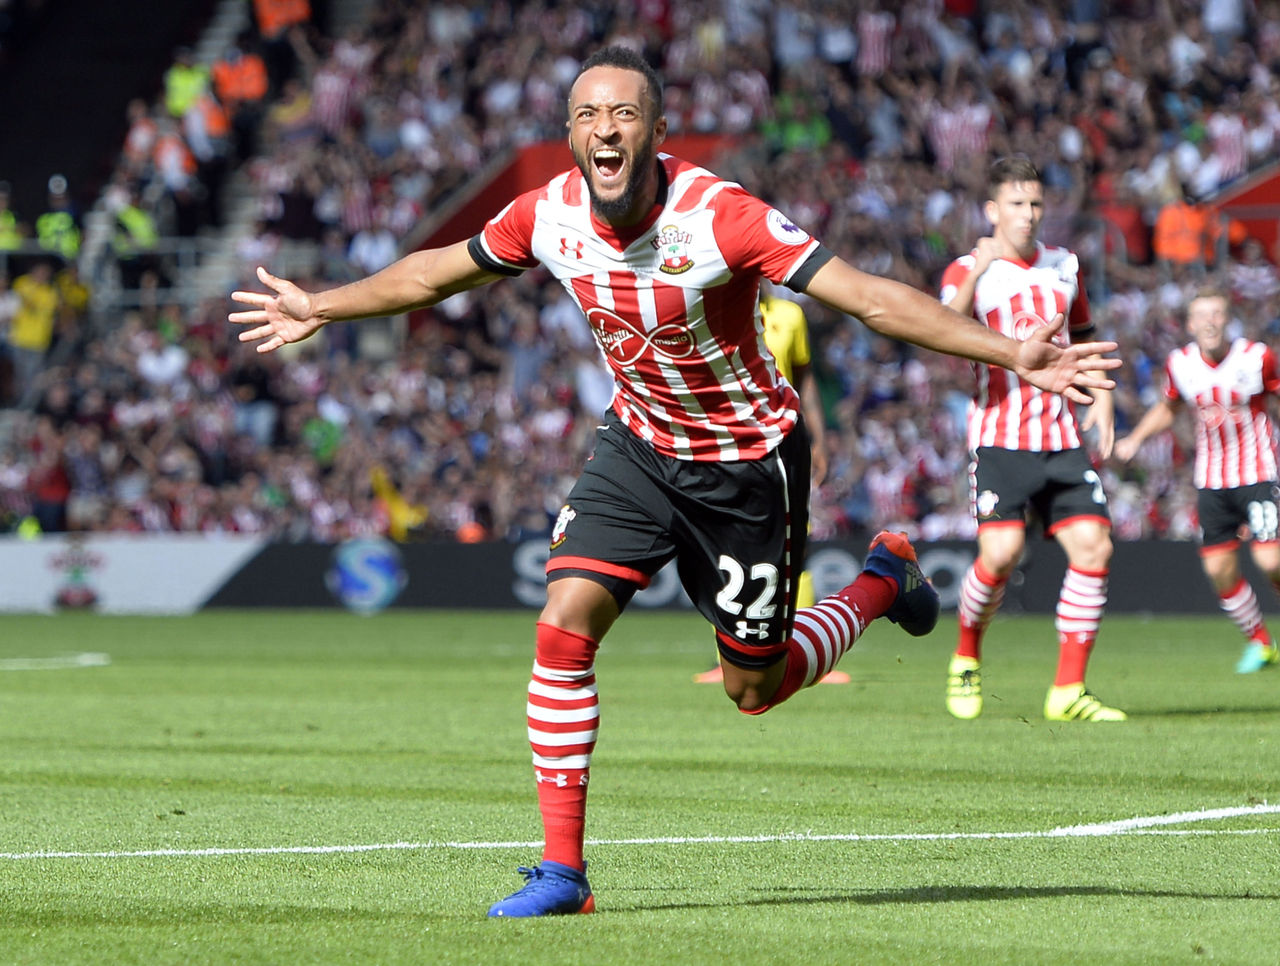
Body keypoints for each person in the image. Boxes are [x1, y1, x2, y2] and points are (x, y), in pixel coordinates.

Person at [231, 48, 1120, 917]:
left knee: (754, 689)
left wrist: (1012, 353)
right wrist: (321, 305)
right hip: (638, 447)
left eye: (624, 113)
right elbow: (436, 271)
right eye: (587, 115)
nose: (604, 129)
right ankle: (563, 873)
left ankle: (883, 580)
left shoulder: (722, 217)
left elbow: (867, 297)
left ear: (657, 132)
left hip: (745, 465)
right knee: (563, 626)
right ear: (571, 136)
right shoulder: (548, 214)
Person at [940, 156, 1125, 724]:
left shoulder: (1065, 265)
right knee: (1000, 556)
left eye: (1036, 203)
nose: (1028, 213)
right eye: (1016, 203)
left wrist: (1103, 398)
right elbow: (940, 329)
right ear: (992, 210)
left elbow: (1084, 334)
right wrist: (978, 270)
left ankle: (1068, 690)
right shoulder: (967, 268)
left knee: (1094, 548)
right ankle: (966, 658)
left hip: (1060, 436)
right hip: (998, 435)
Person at [1115, 288, 1280, 674]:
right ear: (1190, 324)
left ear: (1228, 319)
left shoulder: (1256, 357)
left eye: (1217, 313)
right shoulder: (1181, 364)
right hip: (1211, 480)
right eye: (1202, 315)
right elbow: (1169, 407)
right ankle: (1260, 642)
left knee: (1270, 561)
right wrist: (1136, 438)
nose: (1210, 322)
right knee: (1218, 569)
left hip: (1257, 473)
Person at [693, 286, 849, 685]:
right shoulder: (711, 309)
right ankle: (727, 659)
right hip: (725, 444)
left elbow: (804, 378)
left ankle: (806, 651)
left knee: (794, 545)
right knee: (725, 549)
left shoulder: (790, 315)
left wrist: (817, 437)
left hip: (780, 442)